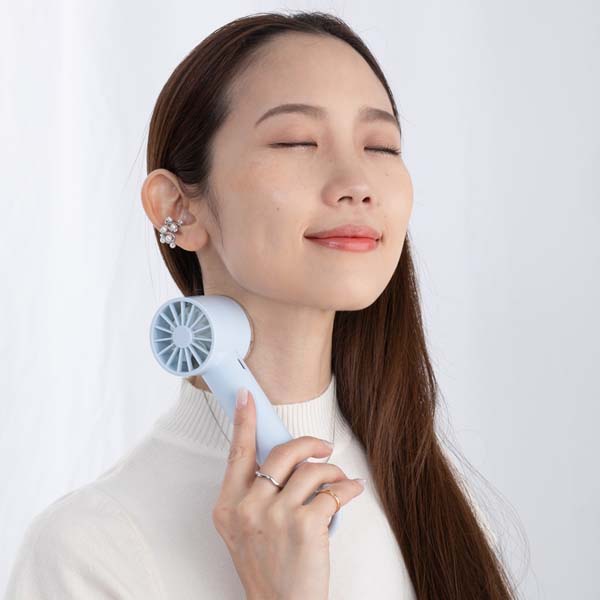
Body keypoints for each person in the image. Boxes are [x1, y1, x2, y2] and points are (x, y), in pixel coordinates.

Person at [4, 10, 517, 599]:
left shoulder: (442, 512)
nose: (357, 182)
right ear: (178, 207)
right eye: (297, 141)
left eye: (381, 146)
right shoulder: (89, 551)